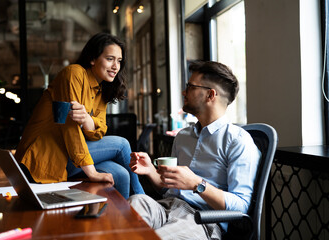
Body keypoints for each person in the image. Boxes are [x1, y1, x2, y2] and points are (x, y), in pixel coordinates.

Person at [128, 61, 261, 240]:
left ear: (210, 95)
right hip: (167, 207)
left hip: (202, 221)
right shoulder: (183, 136)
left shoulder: (238, 141)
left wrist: (197, 184)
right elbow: (170, 188)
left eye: (190, 86)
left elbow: (241, 207)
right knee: (134, 204)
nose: (184, 92)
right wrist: (151, 171)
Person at [15, 32, 144, 199]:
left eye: (119, 61)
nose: (116, 66)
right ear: (92, 59)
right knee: (122, 144)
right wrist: (92, 173)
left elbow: (99, 131)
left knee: (120, 173)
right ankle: (144, 201)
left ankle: (123, 220)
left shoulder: (101, 90)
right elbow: (70, 129)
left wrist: (88, 121)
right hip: (44, 157)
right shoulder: (73, 74)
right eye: (110, 59)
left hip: (70, 156)